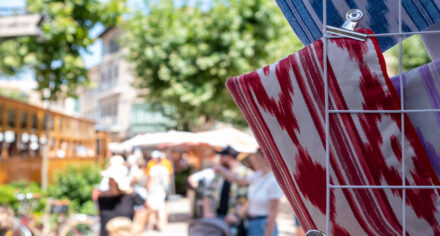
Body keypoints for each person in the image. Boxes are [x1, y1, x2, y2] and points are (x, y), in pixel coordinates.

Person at [218, 148, 283, 236]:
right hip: (251, 224)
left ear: (263, 159)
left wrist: (268, 234)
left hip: (263, 226)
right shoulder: (257, 175)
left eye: (255, 157)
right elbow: (237, 180)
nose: (252, 160)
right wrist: (223, 169)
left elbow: (273, 213)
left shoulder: (273, 181)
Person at [203, 146, 252, 226]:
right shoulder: (219, 174)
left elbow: (250, 199)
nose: (220, 159)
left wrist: (237, 216)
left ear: (230, 158)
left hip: (236, 221)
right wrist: (207, 213)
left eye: (222, 156)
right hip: (216, 218)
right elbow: (207, 194)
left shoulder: (246, 174)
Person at [97, 156, 146, 236]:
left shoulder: (130, 195)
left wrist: (138, 226)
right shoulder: (102, 197)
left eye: (112, 179)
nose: (110, 182)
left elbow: (144, 208)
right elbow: (101, 217)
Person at [145, 150, 170, 231]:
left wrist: (148, 191)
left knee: (153, 208)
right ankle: (161, 224)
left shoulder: (153, 169)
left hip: (154, 191)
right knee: (161, 207)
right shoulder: (165, 168)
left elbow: (150, 181)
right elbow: (168, 180)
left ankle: (151, 226)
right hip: (162, 190)